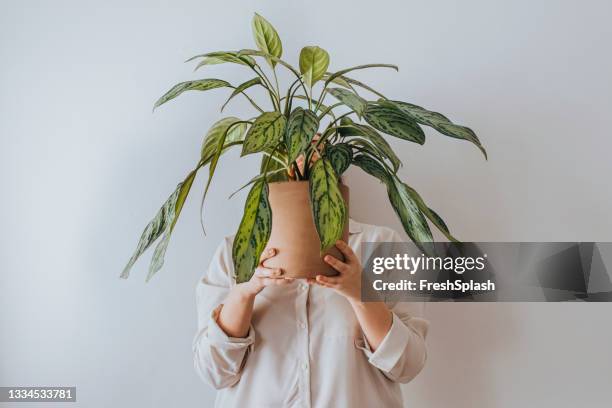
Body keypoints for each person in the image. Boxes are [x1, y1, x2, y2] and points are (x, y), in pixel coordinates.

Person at [193, 139, 429, 407]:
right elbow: (213, 372)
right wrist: (245, 291)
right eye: (294, 149)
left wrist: (359, 292)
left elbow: (408, 365)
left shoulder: (381, 246)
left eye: (318, 150)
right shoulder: (237, 251)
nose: (305, 160)